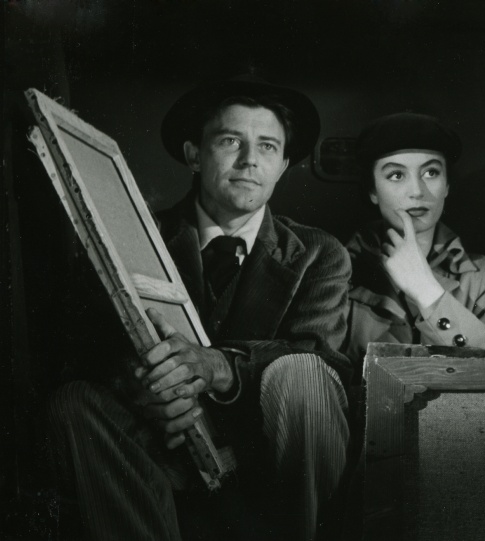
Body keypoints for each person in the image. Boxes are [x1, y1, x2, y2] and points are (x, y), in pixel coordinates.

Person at [47, 77, 352, 540]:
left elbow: (320, 356)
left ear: (283, 165)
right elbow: (84, 350)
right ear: (194, 154)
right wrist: (142, 389)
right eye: (230, 141)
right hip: (157, 455)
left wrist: (217, 367)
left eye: (268, 147)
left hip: (266, 467)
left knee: (306, 373)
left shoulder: (318, 252)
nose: (249, 160)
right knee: (74, 400)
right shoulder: (127, 234)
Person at [343, 112, 485, 368]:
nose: (417, 191)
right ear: (372, 191)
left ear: (447, 186)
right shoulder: (336, 271)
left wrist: (427, 290)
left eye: (431, 173)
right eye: (396, 175)